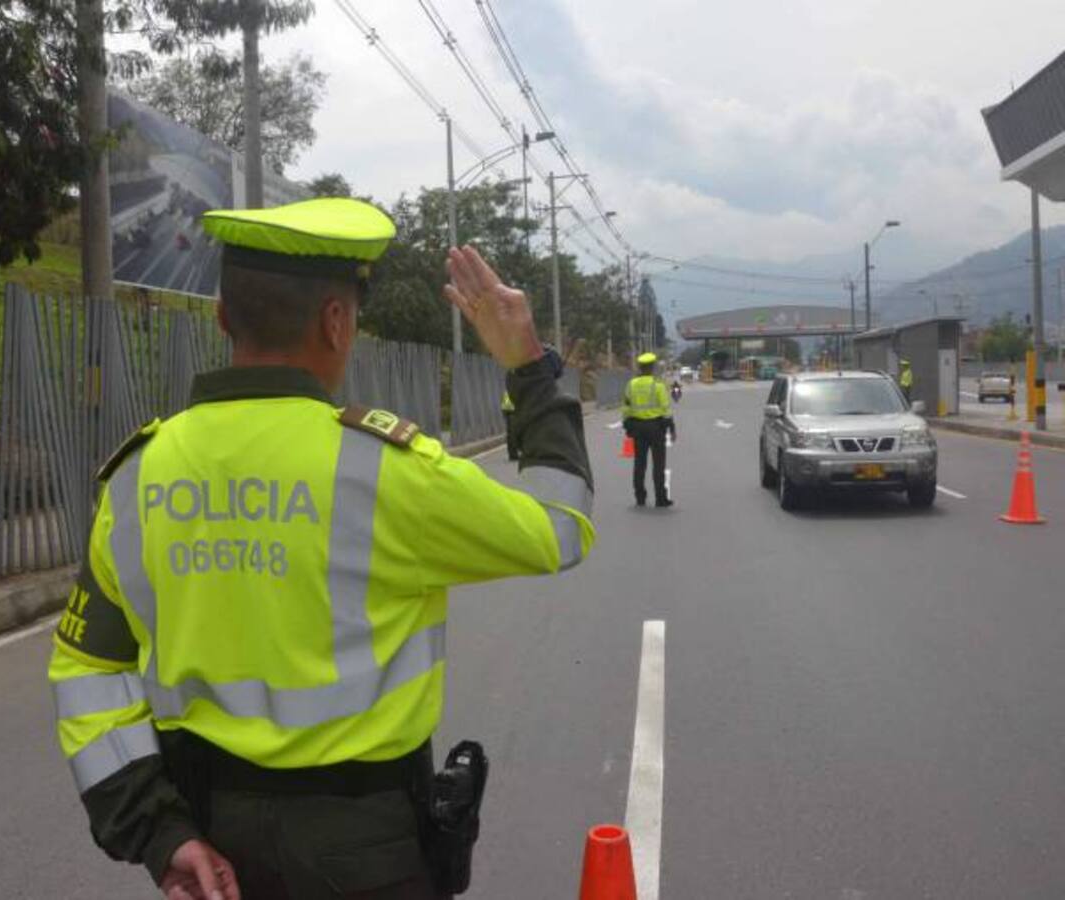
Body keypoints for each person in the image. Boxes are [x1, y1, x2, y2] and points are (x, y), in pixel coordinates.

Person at [47, 197, 595, 900]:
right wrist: (527, 369)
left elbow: (86, 674)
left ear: (222, 318)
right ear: (336, 322)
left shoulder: (136, 476)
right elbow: (560, 526)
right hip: (365, 853)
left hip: (211, 850)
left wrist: (161, 833)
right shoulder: (387, 470)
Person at [622, 352, 673, 508]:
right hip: (656, 428)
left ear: (640, 367)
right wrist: (671, 427)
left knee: (639, 464)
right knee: (658, 464)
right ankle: (660, 498)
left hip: (637, 428)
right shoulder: (658, 385)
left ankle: (640, 497)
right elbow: (666, 409)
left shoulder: (631, 385)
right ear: (652, 367)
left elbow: (626, 407)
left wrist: (627, 425)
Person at [500, 390, 517, 460]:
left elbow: (504, 406)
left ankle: (512, 454)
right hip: (514, 412)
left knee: (511, 435)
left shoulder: (507, 391)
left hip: (509, 413)